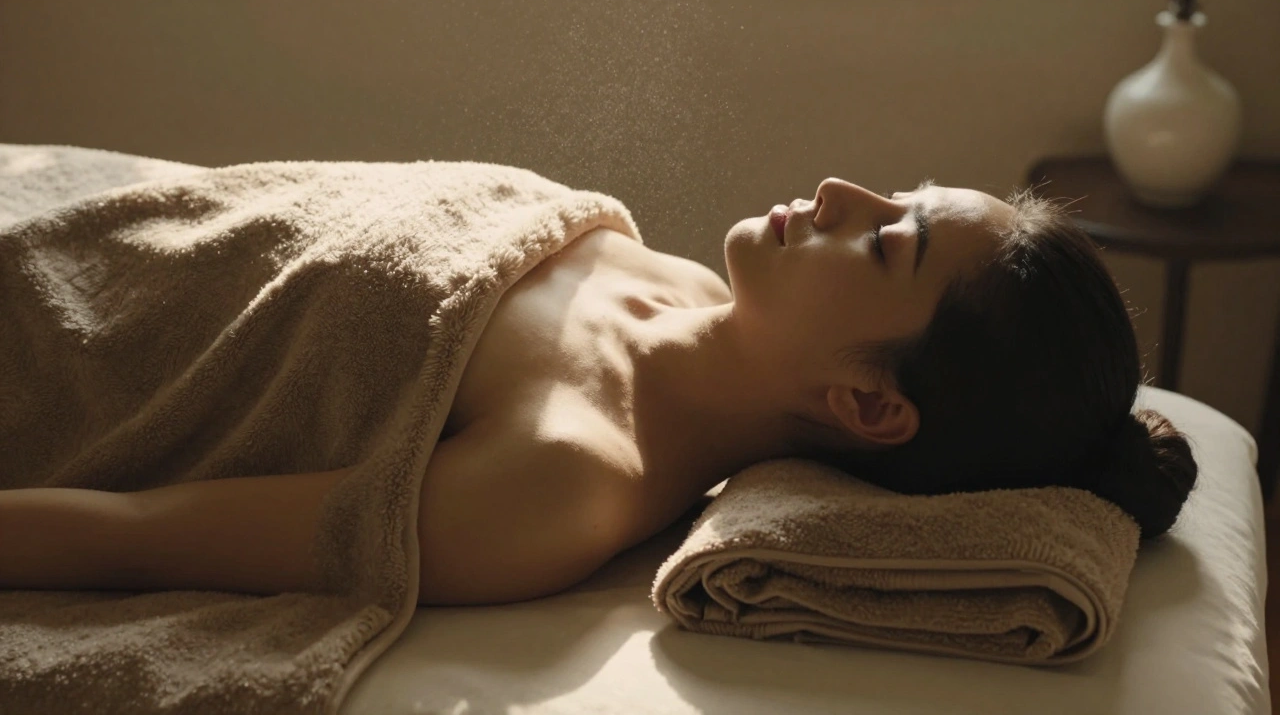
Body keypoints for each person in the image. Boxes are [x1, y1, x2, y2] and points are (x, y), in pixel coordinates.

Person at [0, 178, 1198, 606]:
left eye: (886, 243)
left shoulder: (560, 486)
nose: (842, 193)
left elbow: (138, 532)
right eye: (894, 193)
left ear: (868, 405)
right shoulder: (672, 280)